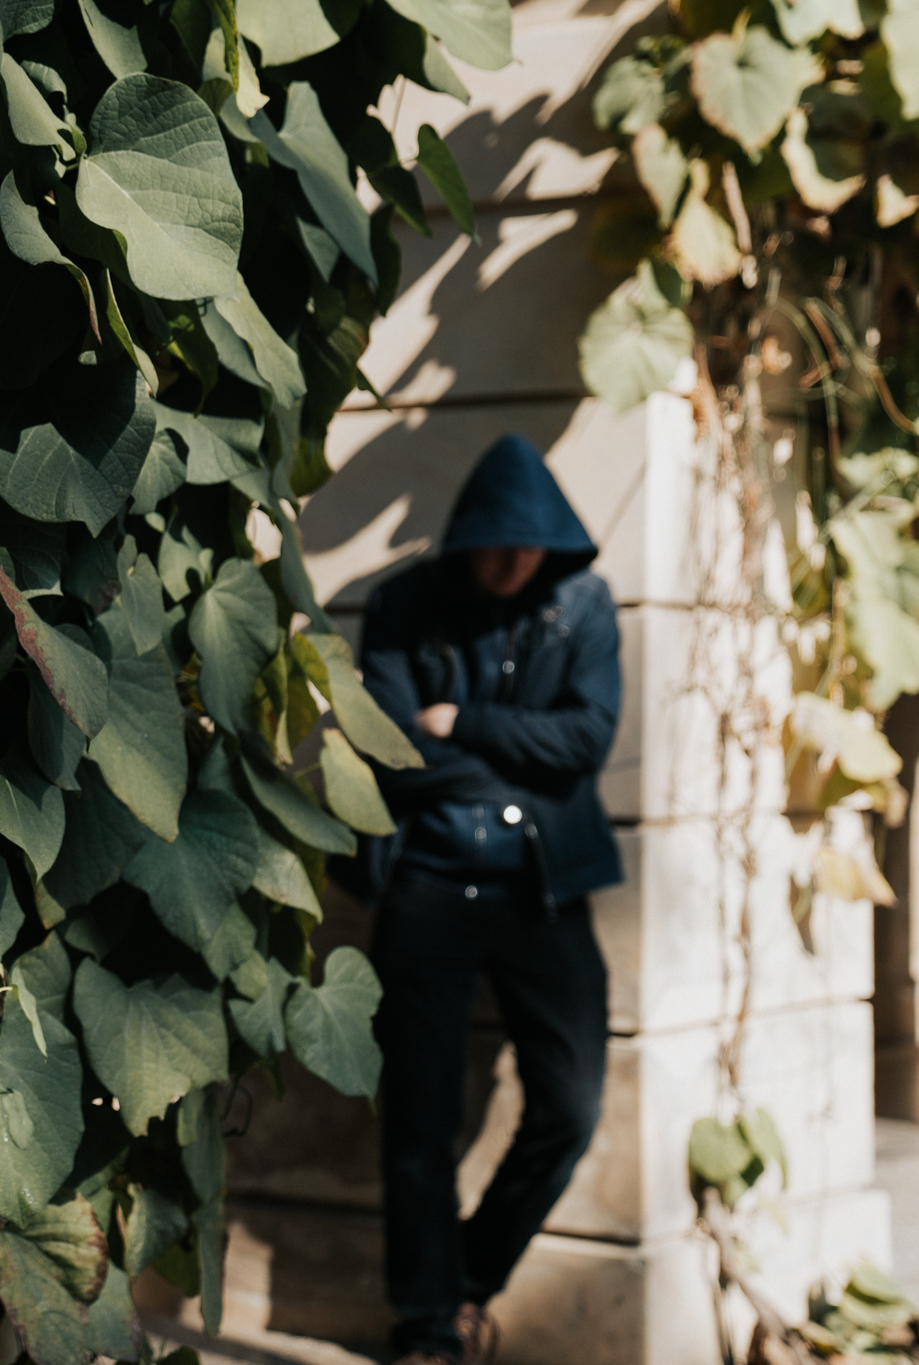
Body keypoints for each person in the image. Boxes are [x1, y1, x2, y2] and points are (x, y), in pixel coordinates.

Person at [354, 433, 623, 1365]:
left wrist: (462, 721)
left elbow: (586, 742)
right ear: (468, 536)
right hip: (426, 887)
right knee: (418, 1118)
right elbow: (392, 753)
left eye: (530, 548)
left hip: (542, 890)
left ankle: (466, 1281)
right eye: (498, 546)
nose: (513, 564)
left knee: (570, 1105)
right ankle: (429, 1328)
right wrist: (513, 758)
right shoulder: (401, 605)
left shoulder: (583, 604)